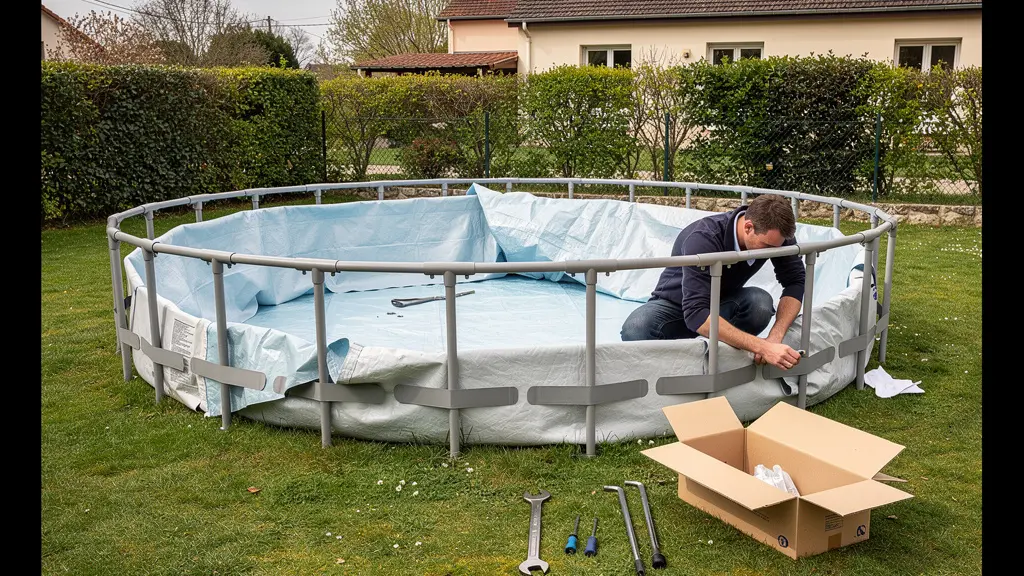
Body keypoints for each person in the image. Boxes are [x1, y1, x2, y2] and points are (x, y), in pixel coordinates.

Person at [620, 194, 805, 371]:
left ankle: (724, 350)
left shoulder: (776, 235)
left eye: (777, 247)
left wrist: (775, 337)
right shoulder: (703, 238)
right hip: (677, 306)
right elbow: (695, 313)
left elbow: (795, 281)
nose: (773, 251)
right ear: (748, 227)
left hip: (721, 304)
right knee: (636, 328)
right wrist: (762, 347)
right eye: (767, 247)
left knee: (760, 304)